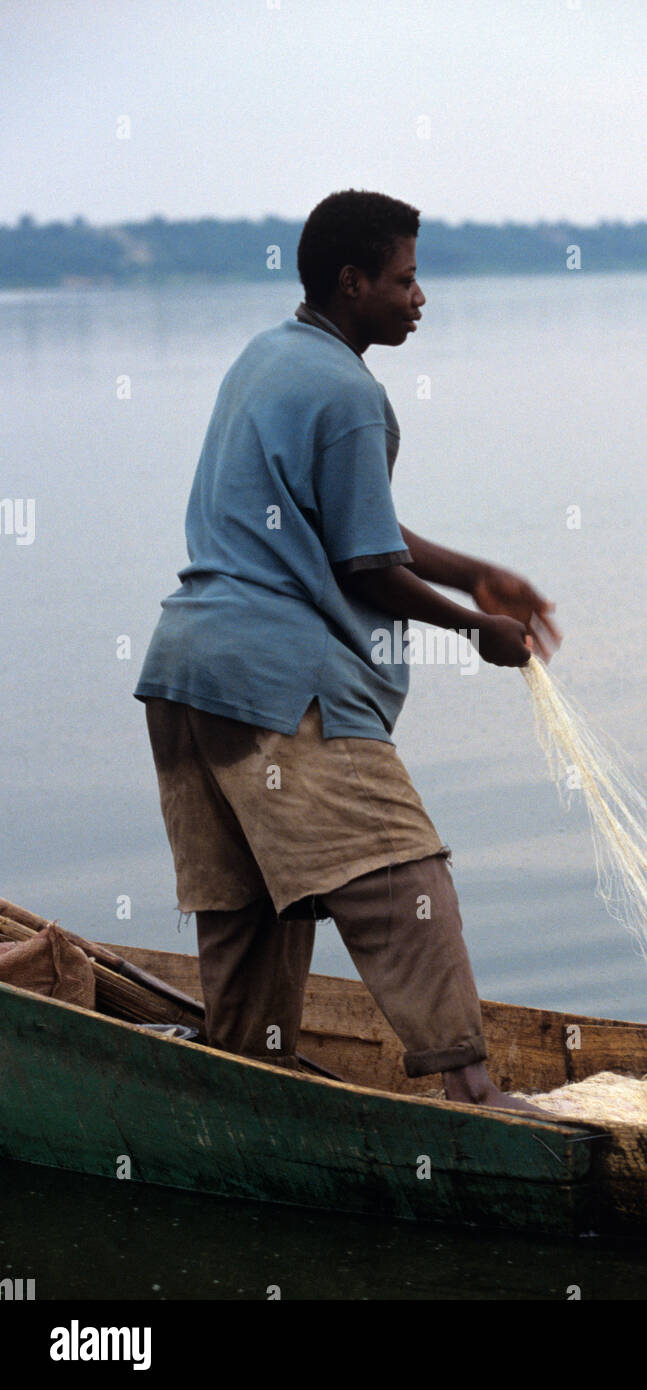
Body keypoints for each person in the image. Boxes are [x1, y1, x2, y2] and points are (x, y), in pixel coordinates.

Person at [134, 189, 562, 1117]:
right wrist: (475, 628)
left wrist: (474, 572)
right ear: (353, 281)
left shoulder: (270, 359)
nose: (419, 297)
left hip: (184, 677)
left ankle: (243, 1092)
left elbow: (348, 522)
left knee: (249, 912)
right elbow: (364, 564)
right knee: (404, 874)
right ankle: (474, 1090)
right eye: (405, 280)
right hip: (279, 683)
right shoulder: (350, 391)